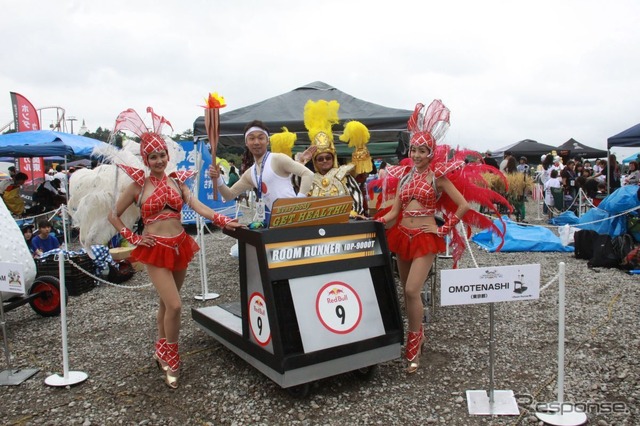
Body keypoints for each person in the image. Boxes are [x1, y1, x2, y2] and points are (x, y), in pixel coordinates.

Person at [107, 107, 244, 389]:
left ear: (167, 157)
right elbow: (113, 214)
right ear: (146, 159)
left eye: (161, 156)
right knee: (175, 305)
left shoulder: (178, 181)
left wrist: (223, 220)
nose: (158, 160)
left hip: (180, 245)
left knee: (165, 304)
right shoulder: (137, 185)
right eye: (153, 157)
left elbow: (197, 206)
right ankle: (171, 354)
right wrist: (132, 239)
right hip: (154, 248)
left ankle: (161, 348)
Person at [376, 100, 506, 374]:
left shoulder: (438, 177)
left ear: (431, 152)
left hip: (426, 237)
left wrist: (444, 229)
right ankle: (416, 333)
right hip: (402, 235)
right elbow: (394, 212)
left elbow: (463, 205)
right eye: (414, 149)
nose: (418, 154)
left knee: (412, 289)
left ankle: (414, 341)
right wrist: (376, 221)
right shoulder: (403, 177)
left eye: (423, 150)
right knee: (406, 291)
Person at [208, 120, 314, 226]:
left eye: (260, 138)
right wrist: (218, 179)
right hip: (273, 221)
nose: (256, 142)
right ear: (246, 142)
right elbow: (229, 195)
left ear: (267, 141)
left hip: (294, 218)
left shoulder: (278, 159)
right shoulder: (250, 173)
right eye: (252, 138)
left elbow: (308, 174)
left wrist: (298, 202)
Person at [301, 100, 366, 217]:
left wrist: (354, 213)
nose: (325, 161)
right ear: (315, 162)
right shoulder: (309, 178)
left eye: (328, 157)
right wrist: (301, 161)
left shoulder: (343, 174)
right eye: (320, 159)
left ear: (333, 158)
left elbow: (356, 197)